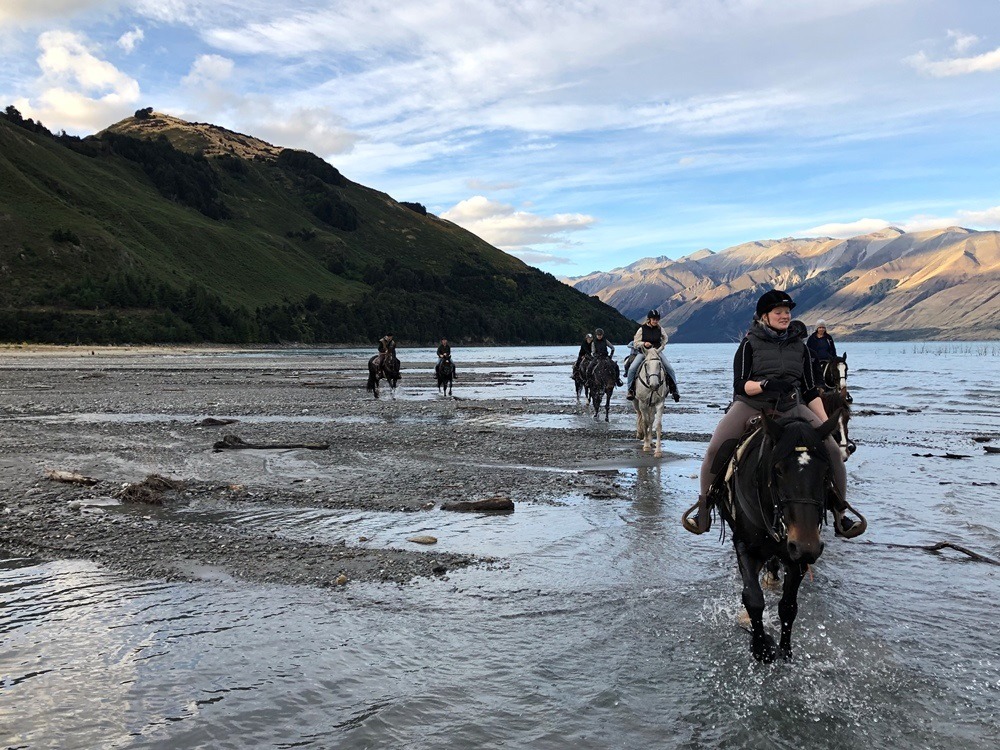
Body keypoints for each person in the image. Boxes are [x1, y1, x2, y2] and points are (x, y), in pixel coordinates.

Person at [683, 290, 861, 536]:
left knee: (831, 449)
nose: (785, 316)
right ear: (764, 316)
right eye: (778, 312)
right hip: (751, 404)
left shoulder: (801, 348)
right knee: (716, 448)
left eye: (787, 312)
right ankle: (704, 506)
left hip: (791, 405)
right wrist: (764, 385)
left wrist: (823, 424)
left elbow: (810, 391)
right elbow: (740, 384)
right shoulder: (749, 344)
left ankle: (840, 513)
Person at [625, 310, 679, 402]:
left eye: (657, 319)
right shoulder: (642, 329)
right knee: (632, 369)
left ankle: (675, 390)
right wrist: (644, 344)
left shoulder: (660, 329)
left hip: (656, 352)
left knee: (670, 369)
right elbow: (636, 343)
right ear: (649, 319)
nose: (655, 321)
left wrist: (661, 347)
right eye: (654, 319)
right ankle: (630, 390)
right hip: (643, 353)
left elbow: (665, 339)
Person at [806, 320, 838, 386]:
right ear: (817, 328)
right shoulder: (812, 338)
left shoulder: (828, 338)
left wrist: (834, 358)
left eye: (823, 327)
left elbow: (833, 349)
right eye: (820, 327)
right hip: (815, 360)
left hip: (828, 360)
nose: (821, 329)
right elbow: (807, 349)